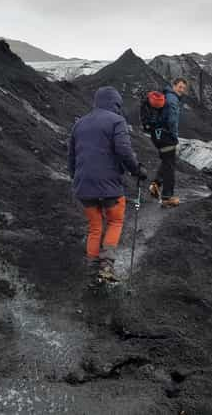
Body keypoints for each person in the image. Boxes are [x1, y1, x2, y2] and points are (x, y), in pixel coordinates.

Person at [68, 86, 147, 280]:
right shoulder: (116, 121)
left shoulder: (79, 124)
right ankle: (106, 266)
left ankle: (92, 268)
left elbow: (71, 157)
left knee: (95, 226)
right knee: (115, 220)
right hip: (109, 184)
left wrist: (77, 179)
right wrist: (137, 170)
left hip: (84, 186)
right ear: (116, 103)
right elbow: (123, 150)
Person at [148, 78, 188, 207]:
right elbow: (172, 121)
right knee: (170, 166)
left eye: (183, 88)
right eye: (180, 87)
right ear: (174, 86)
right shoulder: (172, 99)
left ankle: (155, 185)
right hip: (166, 135)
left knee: (167, 161)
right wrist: (174, 136)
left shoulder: (167, 96)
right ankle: (167, 197)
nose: (182, 90)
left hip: (158, 134)